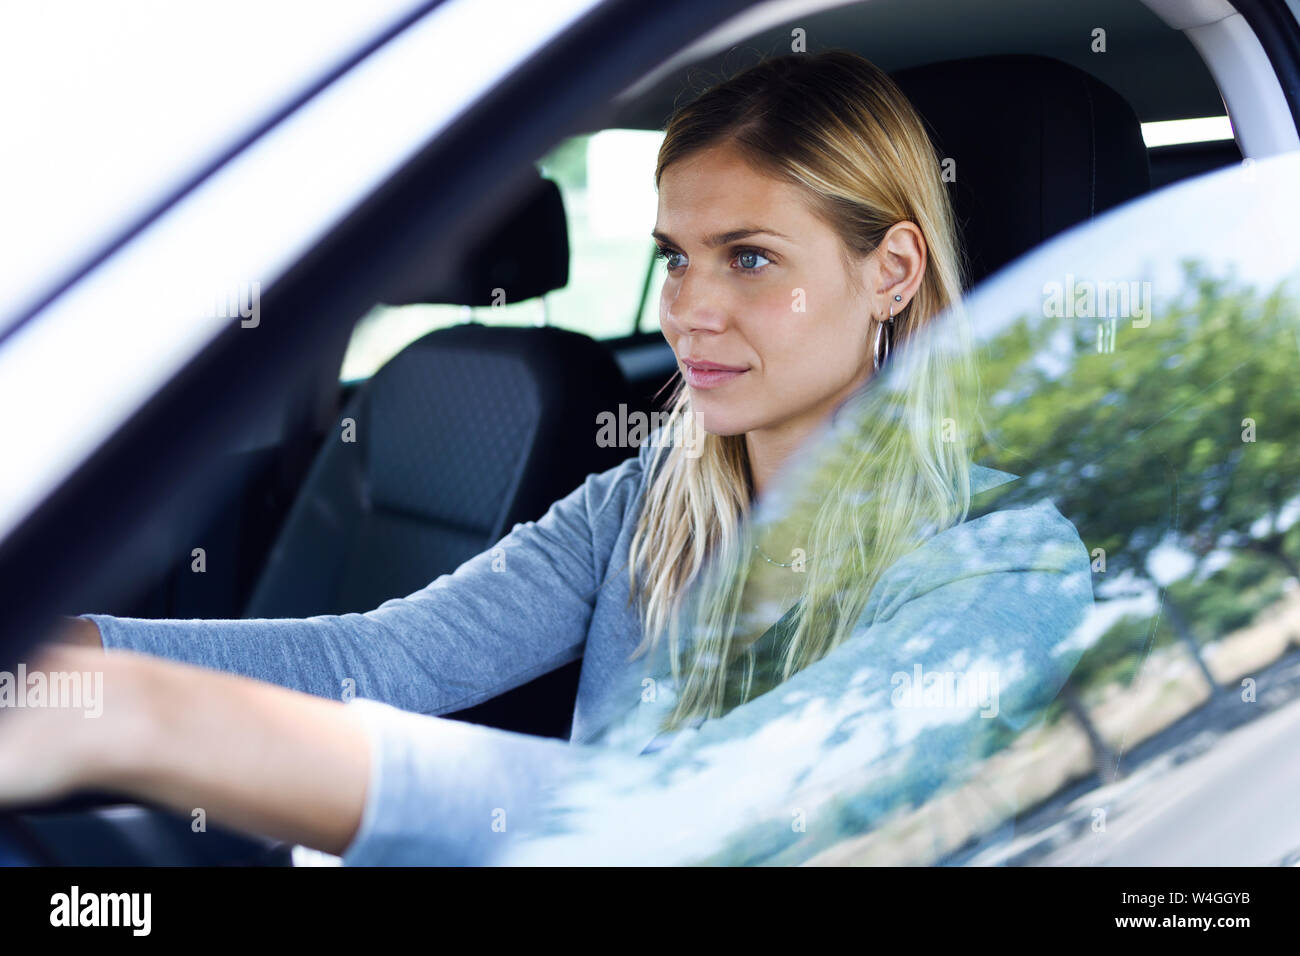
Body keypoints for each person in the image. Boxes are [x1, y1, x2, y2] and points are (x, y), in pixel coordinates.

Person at [0, 50, 1094, 865]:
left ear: (891, 272)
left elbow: (721, 816)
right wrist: (60, 656)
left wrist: (152, 716)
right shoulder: (645, 501)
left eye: (750, 258)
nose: (689, 310)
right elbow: (386, 658)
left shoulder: (1005, 566)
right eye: (675, 258)